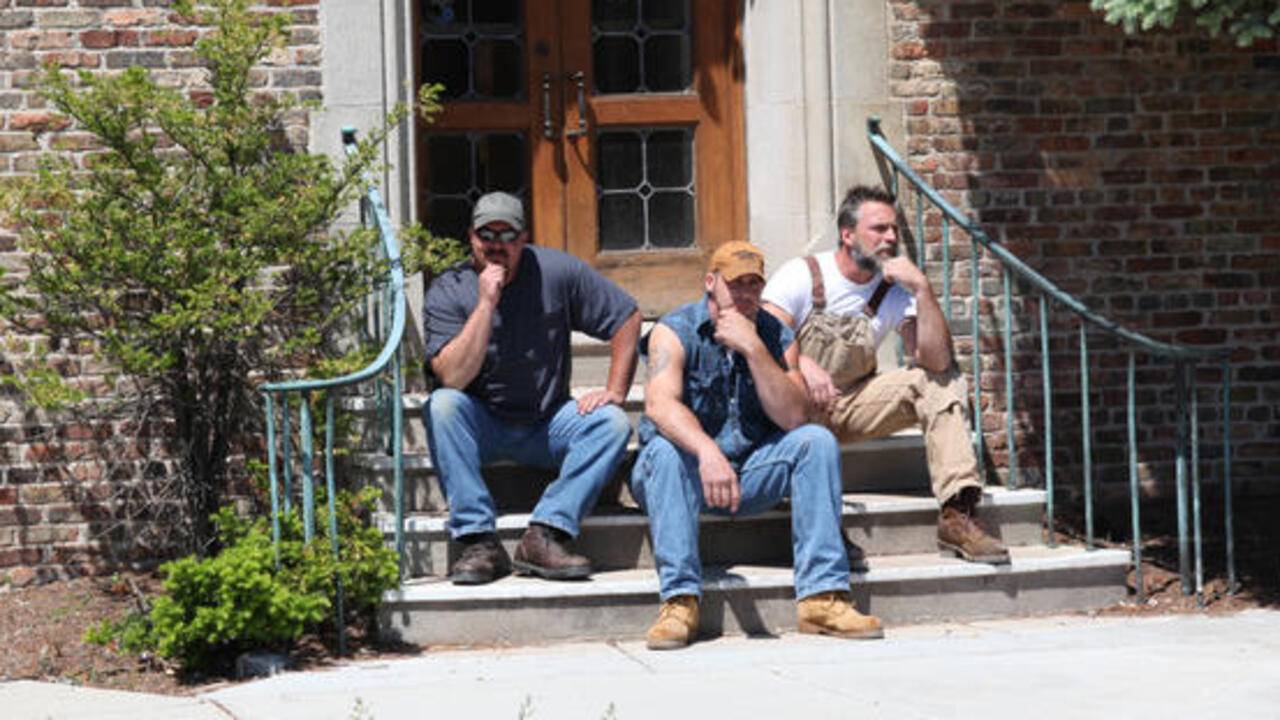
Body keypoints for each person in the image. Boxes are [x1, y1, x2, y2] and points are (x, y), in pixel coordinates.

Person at [631, 240, 883, 651]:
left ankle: (821, 599)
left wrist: (753, 348)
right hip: (683, 474)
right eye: (735, 284)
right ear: (710, 283)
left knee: (815, 441)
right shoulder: (673, 330)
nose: (745, 294)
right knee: (661, 451)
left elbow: (793, 417)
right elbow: (660, 406)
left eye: (753, 284)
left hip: (749, 473)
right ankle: (679, 601)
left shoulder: (776, 334)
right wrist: (707, 452)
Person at [761, 185, 1009, 564]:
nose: (891, 237)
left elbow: (935, 360)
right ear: (848, 234)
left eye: (893, 229)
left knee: (940, 381)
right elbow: (763, 337)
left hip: (850, 405)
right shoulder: (803, 274)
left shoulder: (894, 291)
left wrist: (922, 290)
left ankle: (957, 514)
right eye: (879, 229)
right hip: (795, 408)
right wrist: (802, 365)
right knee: (795, 394)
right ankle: (823, 526)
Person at [423, 191, 642, 585]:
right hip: (483, 423)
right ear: (471, 236)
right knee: (442, 406)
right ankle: (479, 541)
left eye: (507, 235)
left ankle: (544, 535)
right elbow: (452, 377)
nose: (496, 245)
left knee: (611, 424)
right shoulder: (449, 289)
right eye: (486, 235)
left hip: (548, 422)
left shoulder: (556, 271)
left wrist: (616, 389)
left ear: (524, 238)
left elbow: (626, 316)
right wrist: (486, 303)